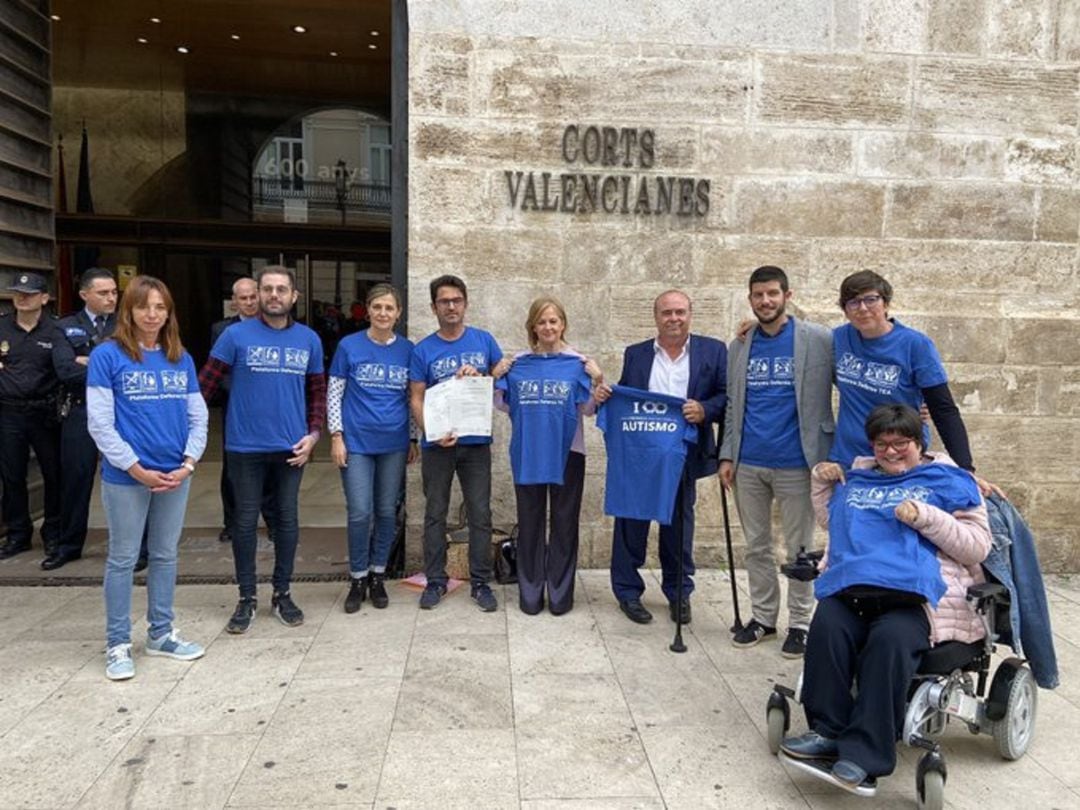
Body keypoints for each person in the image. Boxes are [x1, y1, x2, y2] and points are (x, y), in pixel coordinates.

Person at [780, 404, 991, 791]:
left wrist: (925, 516)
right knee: (827, 626)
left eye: (901, 443)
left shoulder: (949, 480)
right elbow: (835, 522)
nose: (891, 451)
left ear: (919, 441)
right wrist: (822, 483)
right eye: (882, 444)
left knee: (889, 642)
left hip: (916, 599)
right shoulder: (860, 478)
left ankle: (865, 756)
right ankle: (828, 732)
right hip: (856, 588)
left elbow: (976, 548)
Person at [86, 275, 208, 681]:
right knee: (122, 559)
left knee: (165, 555)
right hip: (128, 477)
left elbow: (198, 416)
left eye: (160, 307)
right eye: (144, 306)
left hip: (175, 474)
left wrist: (188, 463)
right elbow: (100, 424)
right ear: (129, 310)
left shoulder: (180, 357)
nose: (152, 314)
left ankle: (160, 633)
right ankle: (118, 643)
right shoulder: (109, 356)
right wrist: (134, 467)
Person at [199, 265, 325, 633]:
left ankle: (282, 593)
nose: (273, 295)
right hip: (244, 447)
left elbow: (317, 391)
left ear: (293, 296)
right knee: (244, 521)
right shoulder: (234, 336)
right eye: (267, 289)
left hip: (291, 448)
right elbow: (204, 388)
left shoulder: (309, 340)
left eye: (281, 289)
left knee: (286, 521)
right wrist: (186, 435)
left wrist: (314, 434)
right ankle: (247, 597)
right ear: (257, 294)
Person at [718, 266, 833, 656]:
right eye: (758, 295)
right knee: (756, 546)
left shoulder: (818, 339)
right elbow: (733, 403)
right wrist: (727, 453)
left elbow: (850, 383)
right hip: (749, 462)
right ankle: (763, 618)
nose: (765, 301)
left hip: (798, 463)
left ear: (787, 294)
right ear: (749, 299)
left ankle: (800, 623)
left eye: (772, 294)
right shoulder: (740, 345)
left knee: (800, 548)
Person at [595, 289, 726, 625]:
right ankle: (627, 592)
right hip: (640, 456)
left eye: (680, 312)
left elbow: (728, 396)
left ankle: (678, 592)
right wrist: (607, 394)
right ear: (656, 317)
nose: (674, 319)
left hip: (683, 454)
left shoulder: (713, 350)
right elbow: (627, 395)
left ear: (690, 314)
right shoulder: (636, 354)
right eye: (667, 313)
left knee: (678, 525)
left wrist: (705, 409)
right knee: (631, 522)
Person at [492, 297, 602, 615]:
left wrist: (597, 380)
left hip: (569, 452)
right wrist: (495, 375)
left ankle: (559, 595)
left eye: (554, 321)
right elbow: (502, 404)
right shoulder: (518, 364)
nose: (548, 327)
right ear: (533, 327)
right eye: (542, 322)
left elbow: (589, 409)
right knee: (529, 523)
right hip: (528, 452)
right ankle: (530, 593)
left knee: (565, 524)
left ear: (563, 324)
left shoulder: (579, 363)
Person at [408, 274, 503, 612]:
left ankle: (481, 582)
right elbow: (416, 398)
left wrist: (484, 379)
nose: (451, 306)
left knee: (480, 513)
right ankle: (436, 580)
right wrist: (430, 431)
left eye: (456, 300)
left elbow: (503, 384)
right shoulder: (423, 349)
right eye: (444, 301)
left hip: (476, 443)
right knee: (435, 514)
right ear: (434, 307)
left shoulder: (484, 341)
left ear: (465, 303)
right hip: (438, 446)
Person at [328, 283, 416, 613]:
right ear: (368, 310)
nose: (383, 313)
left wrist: (411, 439)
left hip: (393, 443)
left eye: (389, 308)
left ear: (398, 313)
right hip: (357, 443)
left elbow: (410, 399)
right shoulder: (349, 346)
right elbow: (334, 394)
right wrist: (336, 436)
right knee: (360, 511)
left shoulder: (408, 350)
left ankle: (378, 575)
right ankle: (357, 577)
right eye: (377, 307)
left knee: (385, 511)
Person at [45, 268, 119, 570]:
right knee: (75, 479)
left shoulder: (127, 322)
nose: (111, 298)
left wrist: (89, 361)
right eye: (103, 293)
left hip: (122, 411)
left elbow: (133, 366)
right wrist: (109, 364)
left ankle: (137, 548)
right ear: (84, 294)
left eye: (114, 292)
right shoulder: (64, 326)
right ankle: (69, 544)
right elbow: (64, 370)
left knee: (128, 480)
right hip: (81, 409)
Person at [0, 272, 61, 560]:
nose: (22, 298)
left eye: (30, 293)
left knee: (53, 474)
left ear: (44, 298)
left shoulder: (56, 330)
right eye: (18, 293)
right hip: (9, 411)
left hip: (45, 411)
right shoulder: (2, 328)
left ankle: (53, 533)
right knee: (12, 475)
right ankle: (17, 534)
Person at [209, 277, 275, 545]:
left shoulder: (275, 326)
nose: (248, 302)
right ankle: (233, 522)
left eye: (252, 297)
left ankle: (272, 520)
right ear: (234, 301)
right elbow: (218, 369)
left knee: (272, 465)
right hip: (235, 407)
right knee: (233, 467)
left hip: (270, 408)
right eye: (242, 298)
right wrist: (241, 393)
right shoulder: (222, 330)